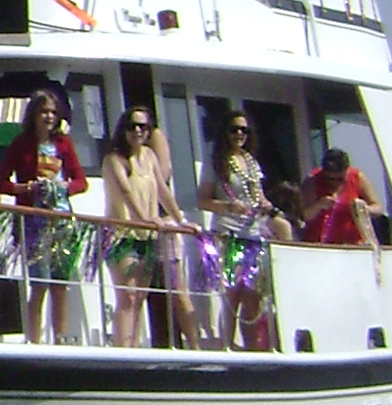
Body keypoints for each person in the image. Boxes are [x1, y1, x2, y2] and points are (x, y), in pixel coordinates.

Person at [99, 106, 196, 348]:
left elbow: (163, 191)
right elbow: (126, 191)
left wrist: (180, 220)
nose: (137, 131)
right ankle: (124, 351)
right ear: (123, 129)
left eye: (143, 126)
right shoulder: (114, 159)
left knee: (140, 296)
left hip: (147, 237)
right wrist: (145, 219)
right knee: (128, 296)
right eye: (132, 126)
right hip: (121, 236)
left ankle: (133, 346)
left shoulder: (150, 156)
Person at [0, 92, 88, 343]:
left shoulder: (64, 143)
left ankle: (60, 338)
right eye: (44, 111)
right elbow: (1, 183)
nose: (49, 117)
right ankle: (34, 340)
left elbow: (81, 181)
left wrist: (64, 187)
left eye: (53, 112)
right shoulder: (21, 143)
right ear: (34, 114)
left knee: (60, 285)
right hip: (34, 222)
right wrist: (26, 188)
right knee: (39, 284)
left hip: (62, 220)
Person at [199, 106, 275, 350]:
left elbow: (258, 195)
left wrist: (265, 205)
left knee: (253, 296)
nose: (240, 134)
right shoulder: (217, 163)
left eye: (244, 130)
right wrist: (229, 206)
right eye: (234, 130)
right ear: (225, 132)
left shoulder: (251, 162)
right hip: (228, 233)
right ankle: (227, 347)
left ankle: (252, 349)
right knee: (233, 294)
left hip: (253, 233)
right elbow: (203, 201)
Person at [299, 147, 383, 251]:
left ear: (347, 170)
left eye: (340, 179)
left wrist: (363, 209)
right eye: (330, 179)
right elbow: (303, 216)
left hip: (352, 244)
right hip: (320, 245)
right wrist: (319, 205)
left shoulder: (357, 177)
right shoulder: (312, 181)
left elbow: (378, 208)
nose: (335, 183)